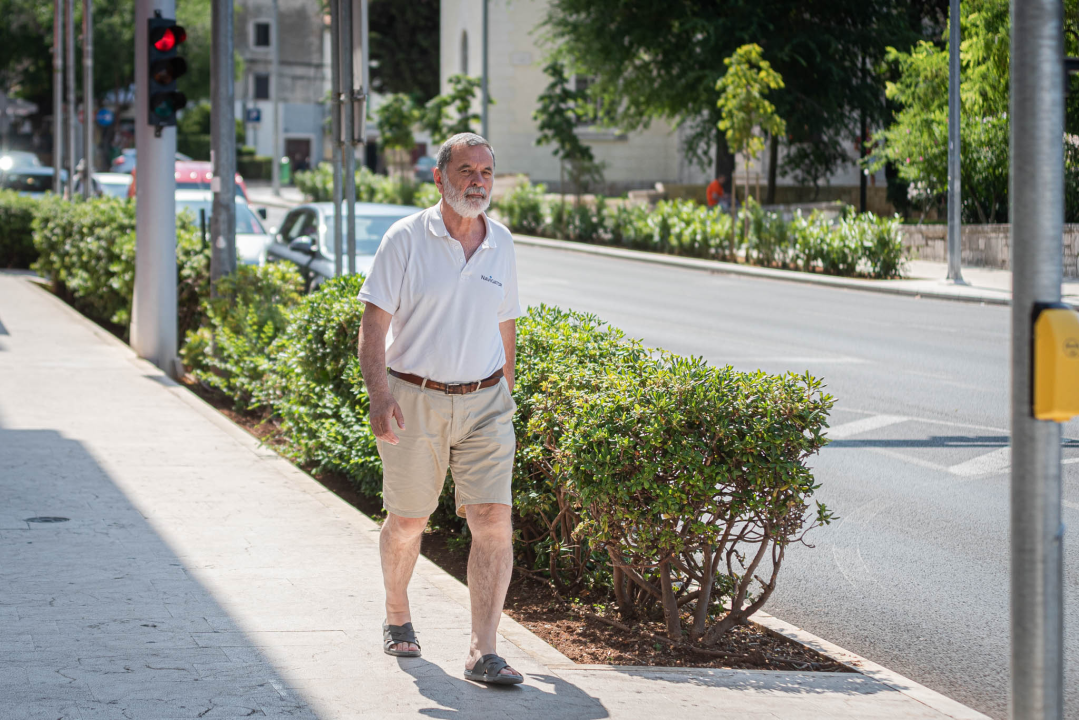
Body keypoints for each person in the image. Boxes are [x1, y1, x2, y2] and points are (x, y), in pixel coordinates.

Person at [357, 132, 524, 685]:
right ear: (440, 177)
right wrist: (380, 399)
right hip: (414, 399)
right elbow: (373, 326)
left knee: (493, 519)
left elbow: (507, 325)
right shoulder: (405, 238)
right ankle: (398, 615)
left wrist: (506, 392)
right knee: (408, 521)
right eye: (466, 170)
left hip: (485, 404)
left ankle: (483, 649)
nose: (478, 181)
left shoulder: (501, 241)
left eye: (486, 172)